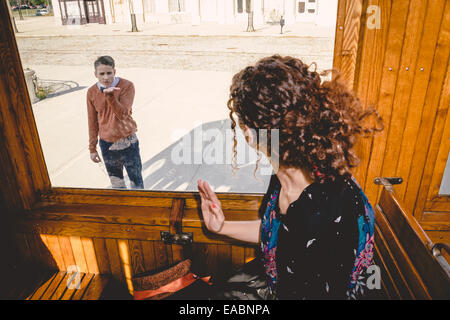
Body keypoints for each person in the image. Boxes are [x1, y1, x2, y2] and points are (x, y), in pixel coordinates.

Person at [197, 55, 383, 300]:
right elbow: (277, 233)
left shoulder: (321, 212)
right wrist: (220, 227)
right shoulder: (289, 172)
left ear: (250, 133)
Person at [87, 55, 144, 189]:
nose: (106, 77)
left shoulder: (127, 86)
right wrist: (92, 148)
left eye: (109, 73)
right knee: (117, 184)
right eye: (102, 74)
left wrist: (110, 96)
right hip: (107, 144)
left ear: (115, 71)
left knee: (136, 181)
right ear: (95, 74)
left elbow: (123, 114)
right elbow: (92, 121)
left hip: (128, 142)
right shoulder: (91, 92)